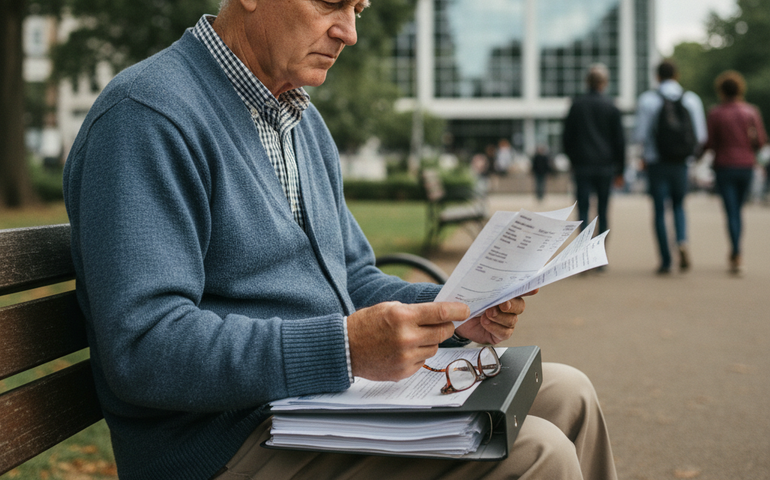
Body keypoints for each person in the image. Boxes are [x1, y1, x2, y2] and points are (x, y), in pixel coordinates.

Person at [62, 1, 617, 479]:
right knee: (535, 454)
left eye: (357, 10)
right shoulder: (147, 116)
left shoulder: (301, 121)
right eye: (330, 3)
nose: (348, 32)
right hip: (226, 446)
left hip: (321, 408)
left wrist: (454, 311)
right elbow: (144, 347)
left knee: (571, 393)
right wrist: (344, 348)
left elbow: (350, 276)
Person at [634, 60, 707, 275]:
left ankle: (665, 259)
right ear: (677, 75)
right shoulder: (691, 99)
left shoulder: (648, 100)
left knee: (658, 210)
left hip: (656, 162)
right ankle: (682, 240)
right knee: (679, 205)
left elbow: (639, 134)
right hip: (681, 162)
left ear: (657, 76)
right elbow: (701, 136)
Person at [703, 70, 767, 274]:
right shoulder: (751, 112)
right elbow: (762, 140)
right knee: (738, 211)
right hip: (745, 165)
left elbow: (710, 142)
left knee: (731, 212)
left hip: (724, 166)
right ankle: (737, 251)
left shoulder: (715, 113)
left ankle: (736, 252)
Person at [562, 64, 625, 238]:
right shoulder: (611, 106)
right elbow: (619, 141)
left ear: (587, 82)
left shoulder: (576, 106)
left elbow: (566, 138)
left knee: (583, 210)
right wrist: (620, 170)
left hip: (582, 165)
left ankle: (583, 251)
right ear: (604, 83)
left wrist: (573, 159)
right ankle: (600, 255)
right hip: (605, 166)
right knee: (603, 211)